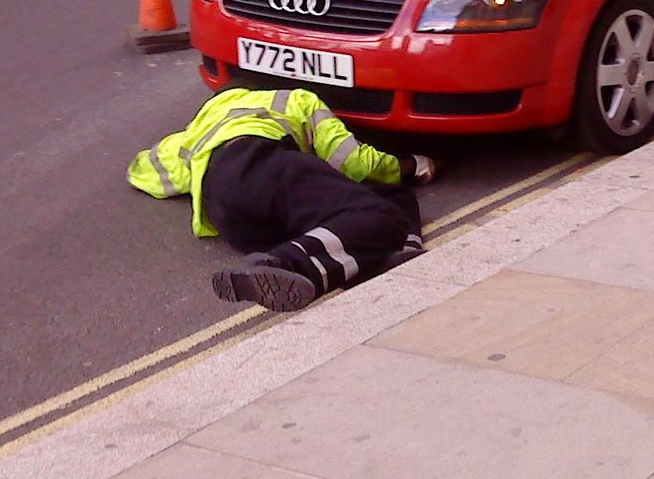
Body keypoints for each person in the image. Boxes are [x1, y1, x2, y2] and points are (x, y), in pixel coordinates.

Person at [128, 86, 437, 311]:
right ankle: (284, 263)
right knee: (381, 213)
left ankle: (372, 257)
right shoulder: (295, 99)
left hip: (226, 211)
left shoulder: (194, 133)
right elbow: (355, 163)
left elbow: (143, 170)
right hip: (267, 164)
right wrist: (413, 164)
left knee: (340, 223)